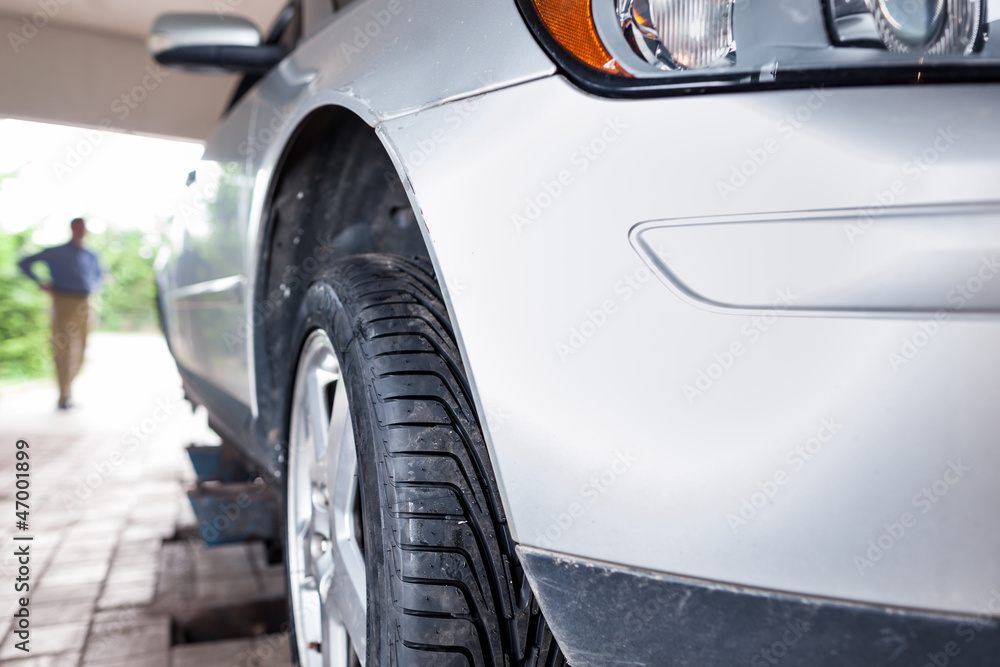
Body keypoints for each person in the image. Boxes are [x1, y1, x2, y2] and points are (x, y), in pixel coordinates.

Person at [18, 218, 103, 410]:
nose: (80, 232)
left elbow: (99, 275)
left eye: (83, 229)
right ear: (72, 229)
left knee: (82, 350)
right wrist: (40, 283)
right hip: (63, 300)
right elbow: (24, 263)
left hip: (85, 302)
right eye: (77, 228)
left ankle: (68, 389)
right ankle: (64, 395)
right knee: (63, 348)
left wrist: (94, 287)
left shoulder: (91, 255)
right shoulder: (56, 252)